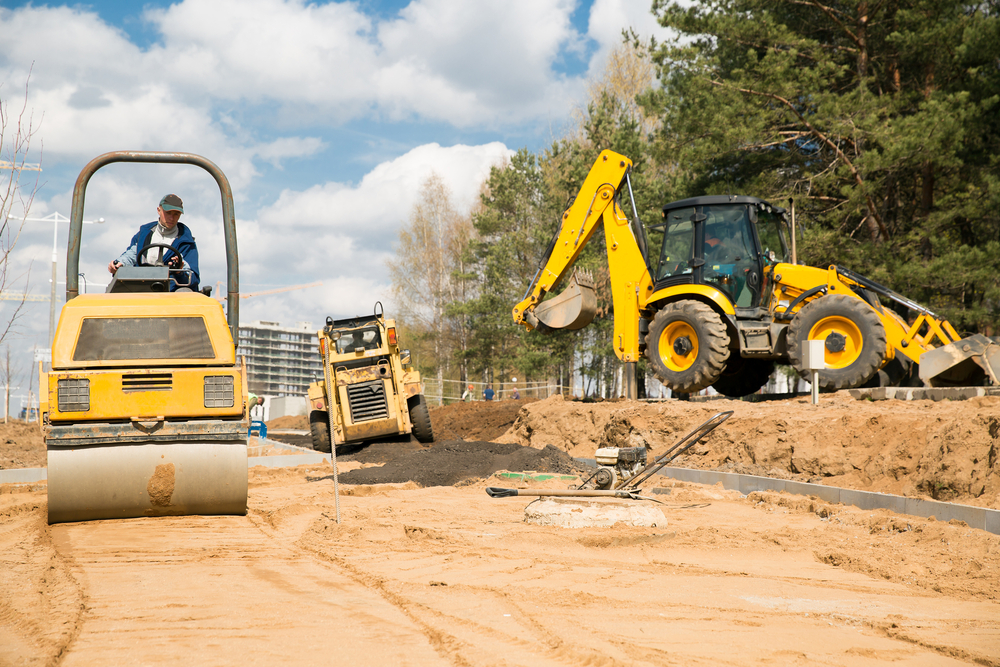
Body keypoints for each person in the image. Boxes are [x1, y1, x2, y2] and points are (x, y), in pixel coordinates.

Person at [108, 194, 200, 291]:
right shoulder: (143, 235)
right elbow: (131, 255)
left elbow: (193, 278)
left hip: (172, 294)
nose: (172, 218)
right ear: (159, 210)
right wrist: (118, 264)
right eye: (168, 213)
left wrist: (180, 271)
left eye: (176, 214)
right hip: (142, 289)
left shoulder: (186, 242)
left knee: (185, 293)